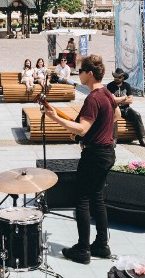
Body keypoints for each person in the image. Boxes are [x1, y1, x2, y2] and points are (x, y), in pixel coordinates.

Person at [44, 55, 116, 264]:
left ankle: (83, 249)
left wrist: (55, 118)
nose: (79, 74)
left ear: (90, 74)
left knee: (82, 199)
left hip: (95, 155)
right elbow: (117, 115)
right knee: (97, 197)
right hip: (107, 152)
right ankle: (102, 245)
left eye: (81, 71)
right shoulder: (108, 94)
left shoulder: (93, 97)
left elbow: (83, 128)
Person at [105, 68, 145, 147]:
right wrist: (124, 98)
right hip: (115, 108)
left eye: (118, 77)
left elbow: (130, 100)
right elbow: (113, 100)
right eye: (115, 77)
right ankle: (114, 139)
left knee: (137, 115)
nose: (116, 79)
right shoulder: (110, 86)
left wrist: (119, 100)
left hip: (126, 109)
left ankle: (142, 138)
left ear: (123, 78)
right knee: (113, 117)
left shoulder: (127, 86)